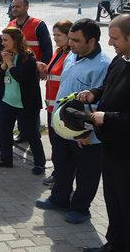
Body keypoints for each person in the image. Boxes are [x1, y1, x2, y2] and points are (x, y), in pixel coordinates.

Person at [35, 18, 110, 224]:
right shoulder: (71, 56)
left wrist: (86, 131)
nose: (71, 44)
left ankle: (81, 208)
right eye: (70, 39)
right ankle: (59, 199)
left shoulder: (103, 65)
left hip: (84, 133)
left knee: (87, 172)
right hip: (63, 125)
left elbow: (102, 103)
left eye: (76, 40)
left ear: (92, 41)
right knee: (62, 164)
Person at [78, 14, 130, 252]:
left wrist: (106, 117)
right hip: (111, 146)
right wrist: (95, 94)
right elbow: (108, 86)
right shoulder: (120, 60)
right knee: (113, 200)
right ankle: (115, 244)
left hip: (126, 152)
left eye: (115, 38)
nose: (110, 43)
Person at [0, 27, 46, 174]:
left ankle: (40, 163)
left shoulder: (27, 56)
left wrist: (10, 64)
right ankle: (5, 158)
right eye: (2, 39)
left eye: (5, 40)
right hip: (7, 100)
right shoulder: (7, 55)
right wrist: (3, 65)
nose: (2, 43)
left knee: (31, 133)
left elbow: (20, 77)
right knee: (3, 131)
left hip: (26, 103)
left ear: (15, 40)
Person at [8, 0, 53, 144]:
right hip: (16, 69)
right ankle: (23, 132)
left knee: (31, 102)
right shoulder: (11, 24)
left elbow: (47, 48)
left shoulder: (38, 25)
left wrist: (44, 67)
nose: (15, 9)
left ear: (27, 7)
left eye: (18, 6)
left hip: (32, 70)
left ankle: (33, 132)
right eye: (13, 6)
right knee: (19, 101)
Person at [40, 20, 73, 187]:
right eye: (54, 35)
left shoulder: (71, 56)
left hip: (61, 108)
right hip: (52, 107)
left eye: (59, 35)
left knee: (62, 146)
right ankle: (58, 173)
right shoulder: (59, 52)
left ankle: (62, 177)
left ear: (70, 36)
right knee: (55, 143)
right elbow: (52, 73)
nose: (55, 38)